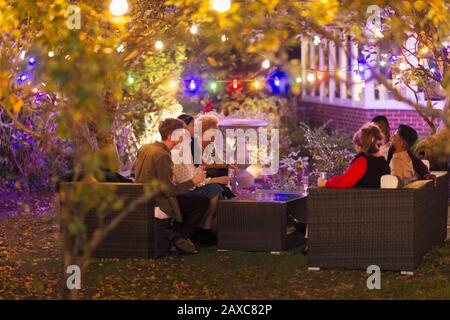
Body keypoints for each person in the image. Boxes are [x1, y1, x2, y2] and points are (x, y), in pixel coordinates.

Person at [133, 118, 209, 254]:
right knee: (202, 202)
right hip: (157, 201)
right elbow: (169, 192)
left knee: (193, 199)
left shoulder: (145, 148)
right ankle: (178, 237)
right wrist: (194, 181)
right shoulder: (162, 155)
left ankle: (177, 236)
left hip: (143, 196)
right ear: (170, 136)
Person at [318, 123, 390, 188]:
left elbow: (344, 182)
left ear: (359, 146)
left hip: (359, 201)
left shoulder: (362, 161)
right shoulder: (383, 162)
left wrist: (326, 183)